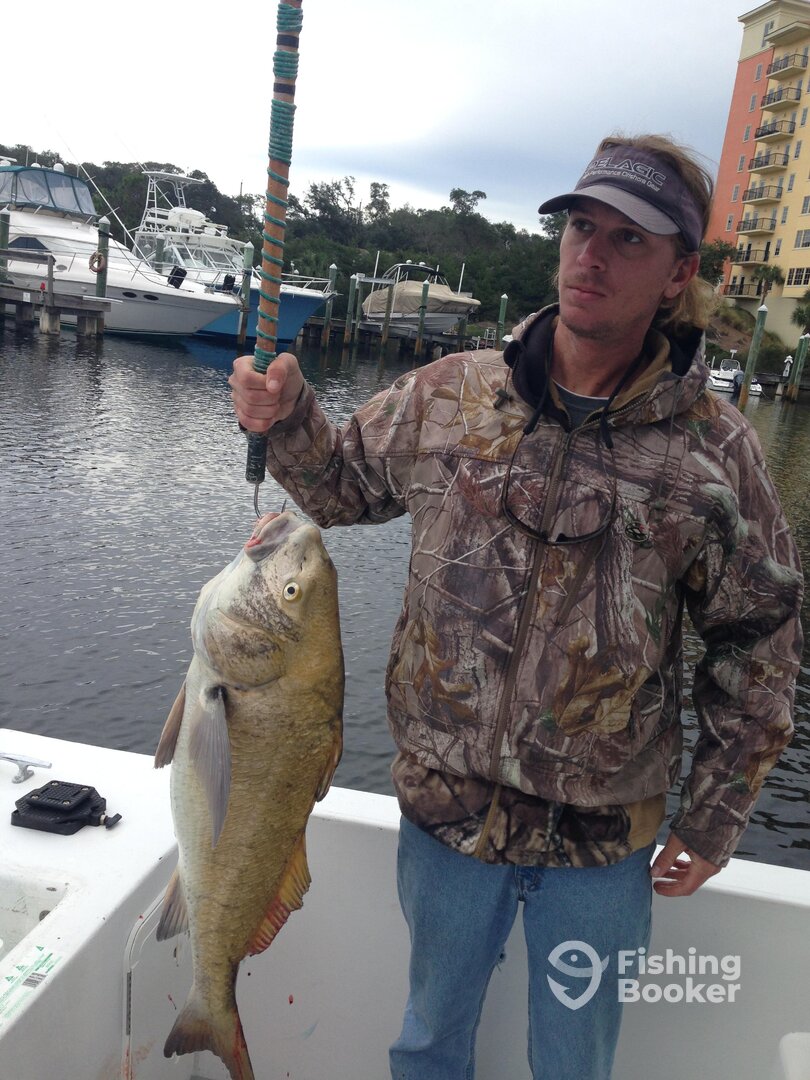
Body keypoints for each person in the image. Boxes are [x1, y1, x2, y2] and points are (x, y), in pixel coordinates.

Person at [229, 134, 804, 1080]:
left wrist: (715, 815)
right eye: (582, 227)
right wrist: (285, 414)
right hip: (447, 817)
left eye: (629, 240)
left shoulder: (718, 451)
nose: (592, 255)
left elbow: (761, 643)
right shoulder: (452, 395)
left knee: (574, 1063)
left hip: (604, 845)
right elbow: (337, 489)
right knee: (426, 1044)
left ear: (678, 275)